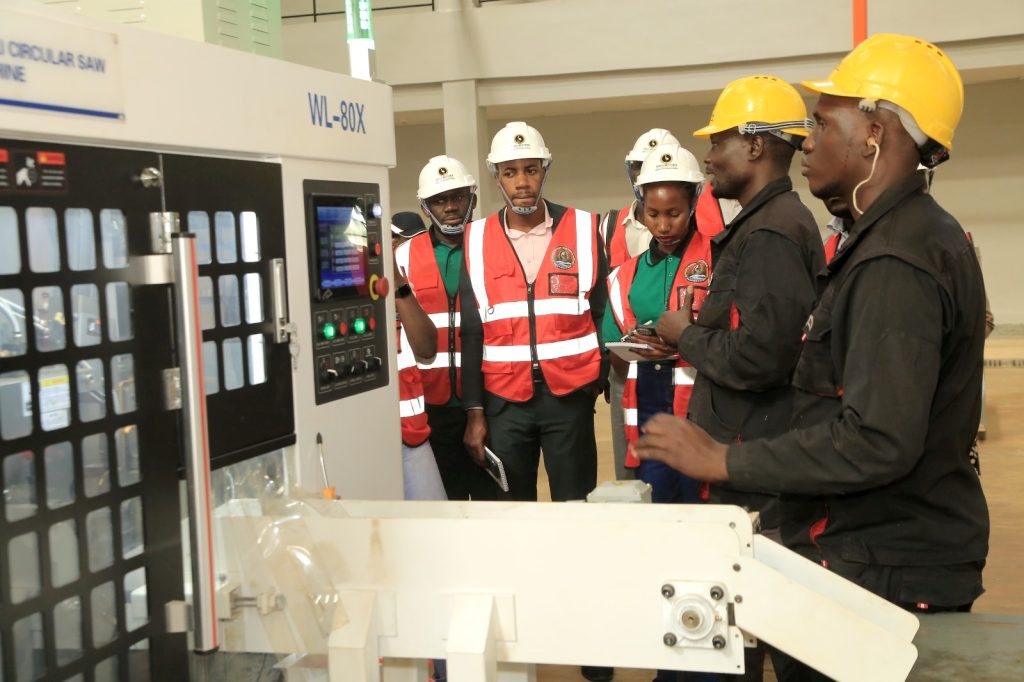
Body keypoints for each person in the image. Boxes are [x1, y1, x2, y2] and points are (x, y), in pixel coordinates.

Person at [636, 34, 990, 680]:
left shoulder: (894, 260)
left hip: (883, 562)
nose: (807, 140)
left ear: (875, 134)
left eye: (825, 123)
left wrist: (724, 457)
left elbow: (880, 438)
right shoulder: (897, 239)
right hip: (881, 551)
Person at [655, 75, 824, 540]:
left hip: (758, 471)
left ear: (754, 147)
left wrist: (683, 334)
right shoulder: (766, 224)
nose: (708, 158)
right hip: (749, 454)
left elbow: (762, 357)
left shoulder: (772, 233)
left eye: (719, 141)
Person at [459, 121, 608, 504]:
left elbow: (602, 312)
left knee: (576, 507)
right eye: (510, 172)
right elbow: (472, 333)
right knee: (512, 512)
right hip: (504, 404)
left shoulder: (584, 228)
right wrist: (476, 413)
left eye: (531, 170)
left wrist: (595, 380)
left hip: (569, 398)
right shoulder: (475, 240)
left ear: (545, 171)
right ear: (497, 178)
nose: (522, 182)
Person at [604, 143, 720, 502]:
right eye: (653, 214)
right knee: (655, 501)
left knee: (704, 501)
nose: (664, 225)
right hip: (648, 407)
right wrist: (637, 346)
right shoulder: (626, 274)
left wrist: (685, 340)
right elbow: (613, 352)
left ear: (694, 203)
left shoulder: (722, 258)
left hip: (705, 406)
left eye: (675, 213)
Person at [394, 159, 501, 502]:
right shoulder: (404, 257)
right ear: (425, 207)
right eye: (440, 200)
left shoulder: (495, 247)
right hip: (431, 406)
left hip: (491, 398)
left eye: (457, 197)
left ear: (472, 197)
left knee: (492, 507)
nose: (451, 207)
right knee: (444, 506)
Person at [391, 218, 447, 502]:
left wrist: (398, 285)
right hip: (365, 434)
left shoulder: (407, 290)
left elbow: (427, 348)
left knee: (435, 527)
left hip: (411, 434)